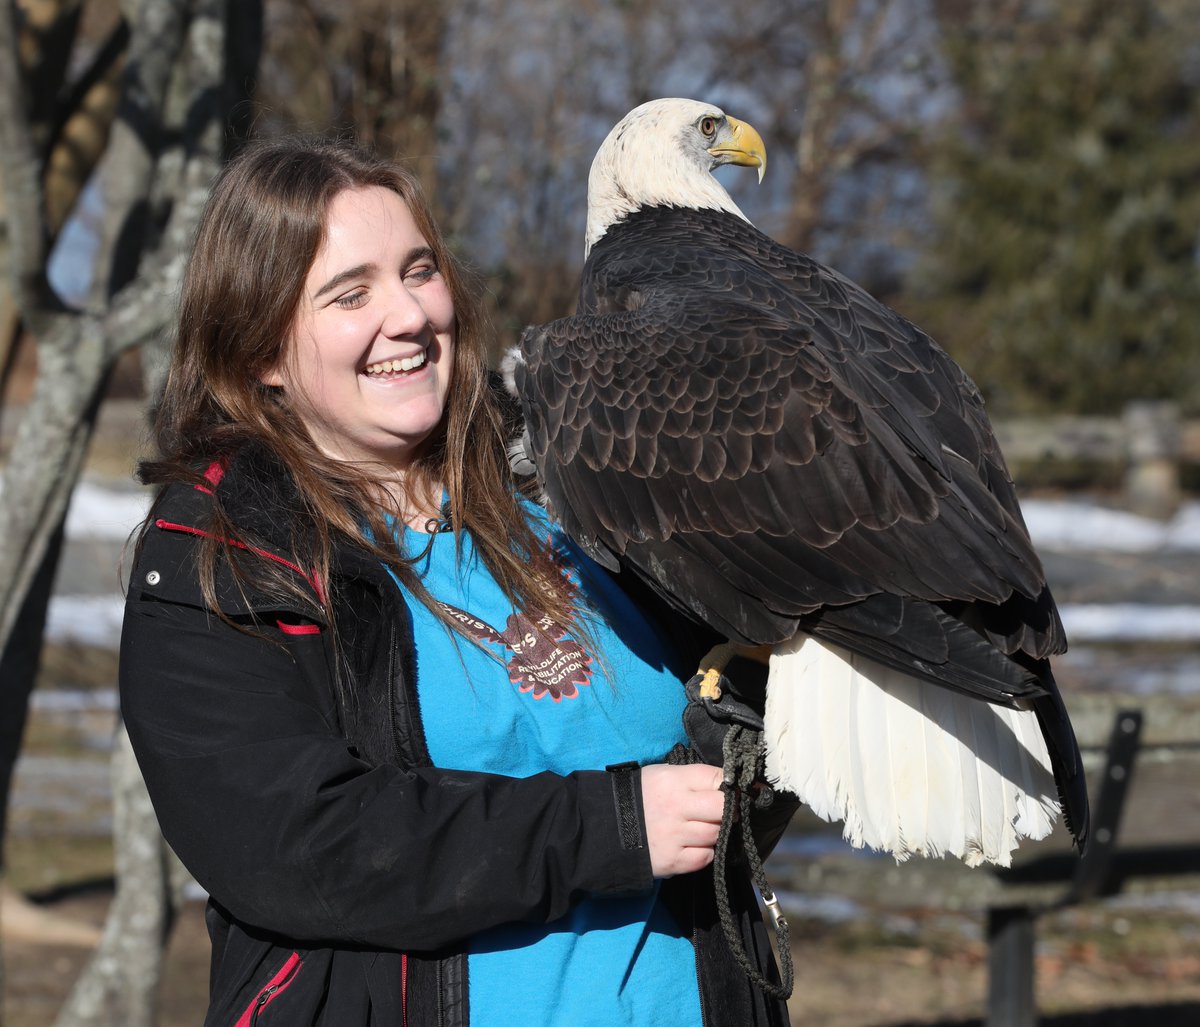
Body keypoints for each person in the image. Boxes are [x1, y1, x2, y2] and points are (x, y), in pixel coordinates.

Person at [120, 137, 792, 1027]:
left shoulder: (574, 485)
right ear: (261, 354)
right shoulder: (223, 556)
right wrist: (614, 828)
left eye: (418, 270)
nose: (405, 315)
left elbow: (735, 742)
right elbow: (301, 845)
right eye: (349, 292)